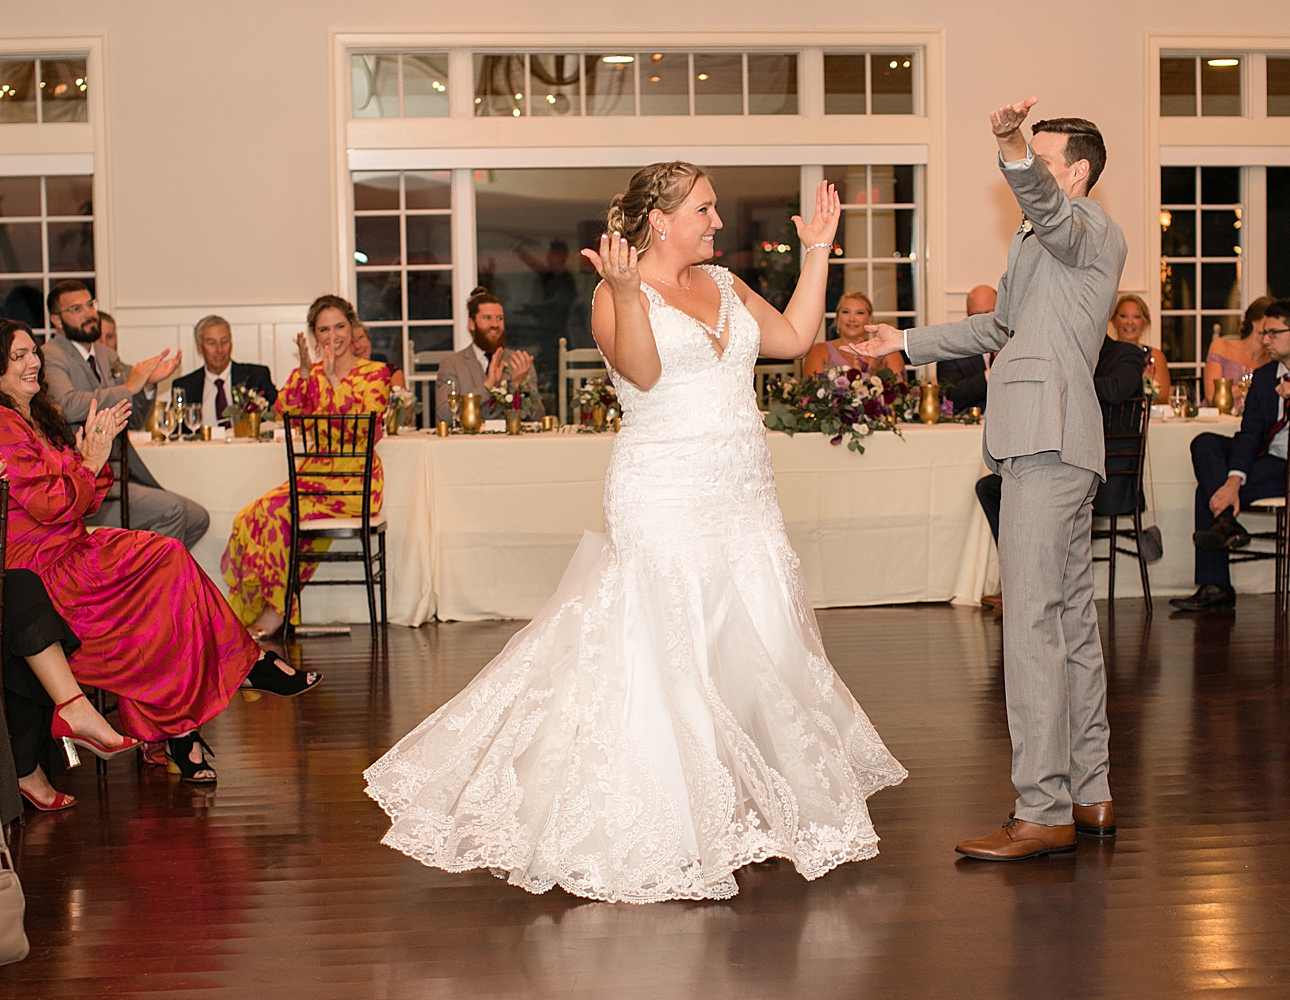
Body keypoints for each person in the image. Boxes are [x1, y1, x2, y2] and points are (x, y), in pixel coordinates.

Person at [366, 161, 906, 903]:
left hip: (742, 490)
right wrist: (625, 292)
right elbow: (644, 373)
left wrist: (818, 250)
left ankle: (739, 802)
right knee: (668, 645)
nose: (718, 222)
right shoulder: (612, 292)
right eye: (706, 210)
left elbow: (792, 335)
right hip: (663, 489)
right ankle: (668, 819)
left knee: (753, 639)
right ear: (662, 218)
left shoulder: (726, 285)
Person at [856, 99, 1127, 861]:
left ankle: (1040, 810)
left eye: (1044, 159)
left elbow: (1040, 199)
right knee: (1068, 623)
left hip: (1048, 440)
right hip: (1049, 444)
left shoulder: (1085, 226)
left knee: (1033, 625)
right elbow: (1001, 327)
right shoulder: (1042, 244)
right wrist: (903, 342)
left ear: (1075, 172)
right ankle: (1089, 793)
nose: (1032, 173)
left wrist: (1009, 142)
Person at [0, 319, 321, 784]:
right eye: (17, 356)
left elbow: (82, 497)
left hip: (70, 546)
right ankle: (238, 672)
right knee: (164, 572)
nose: (33, 362)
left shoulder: (34, 417)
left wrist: (89, 462)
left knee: (166, 575)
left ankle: (193, 719)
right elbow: (51, 505)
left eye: (32, 352)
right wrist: (90, 463)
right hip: (43, 569)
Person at [222, 295, 392, 639]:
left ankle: (276, 612)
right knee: (248, 517)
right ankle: (267, 608)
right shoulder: (310, 373)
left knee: (277, 515)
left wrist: (332, 381)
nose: (333, 336)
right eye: (324, 329)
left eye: (340, 326)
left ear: (352, 327)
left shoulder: (376, 373)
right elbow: (285, 411)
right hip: (314, 476)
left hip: (355, 481)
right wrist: (304, 372)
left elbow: (364, 428)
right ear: (315, 336)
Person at [1170, 298, 1290, 611]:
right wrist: (1233, 481)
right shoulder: (1266, 376)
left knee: (1207, 492)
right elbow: (1249, 433)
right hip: (1267, 459)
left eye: (1272, 333)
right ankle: (1226, 522)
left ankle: (1217, 587)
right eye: (1264, 333)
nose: (1264, 340)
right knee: (1205, 442)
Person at [38, 280, 210, 548]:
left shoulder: (106, 355)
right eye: (76, 309)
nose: (88, 314)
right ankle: (157, 585)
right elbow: (68, 405)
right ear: (56, 320)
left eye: (90, 305)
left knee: (198, 518)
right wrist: (130, 386)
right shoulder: (51, 356)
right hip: (87, 481)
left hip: (123, 473)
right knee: (173, 511)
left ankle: (140, 579)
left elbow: (137, 419)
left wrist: (149, 385)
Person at [975, 333, 1146, 542]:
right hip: (1062, 460)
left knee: (1041, 492)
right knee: (990, 487)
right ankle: (1020, 561)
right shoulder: (1063, 354)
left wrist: (1063, 381)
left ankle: (1040, 559)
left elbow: (1116, 389)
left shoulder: (1125, 353)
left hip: (1106, 467)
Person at [434, 290, 546, 420]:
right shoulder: (452, 365)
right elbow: (444, 416)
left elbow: (538, 417)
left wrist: (519, 387)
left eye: (499, 318)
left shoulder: (519, 363)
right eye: (487, 318)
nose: (495, 324)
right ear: (471, 324)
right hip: (467, 439)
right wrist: (487, 386)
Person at [170, 315, 278, 429]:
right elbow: (173, 431)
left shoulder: (256, 376)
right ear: (199, 347)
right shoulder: (185, 386)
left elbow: (280, 410)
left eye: (224, 341)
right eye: (211, 343)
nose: (219, 349)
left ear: (231, 343)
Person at [801, 290, 906, 381]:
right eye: (846, 312)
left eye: (859, 313)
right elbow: (812, 396)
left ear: (870, 318)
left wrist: (877, 372)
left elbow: (900, 395)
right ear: (838, 317)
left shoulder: (888, 352)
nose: (852, 319)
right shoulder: (818, 351)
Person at [935, 285, 996, 411]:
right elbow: (952, 396)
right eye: (977, 315)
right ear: (968, 316)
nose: (984, 321)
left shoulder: (1016, 343)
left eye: (989, 314)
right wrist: (992, 373)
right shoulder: (952, 349)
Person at [1204, 296, 1272, 408]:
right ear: (1255, 322)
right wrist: (1248, 388)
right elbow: (1212, 395)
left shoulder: (1272, 358)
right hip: (1217, 418)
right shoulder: (1222, 346)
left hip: (1254, 419)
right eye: (1270, 320)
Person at [1110, 294, 1171, 404]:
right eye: (1124, 316)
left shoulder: (1155, 356)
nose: (1129, 322)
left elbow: (1162, 399)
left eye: (1136, 317)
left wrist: (1146, 385)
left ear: (1145, 322)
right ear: (1114, 321)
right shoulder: (1104, 355)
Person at [349, 322, 408, 389]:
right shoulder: (340, 377)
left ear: (368, 338)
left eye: (360, 338)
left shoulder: (391, 372)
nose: (358, 346)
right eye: (351, 342)